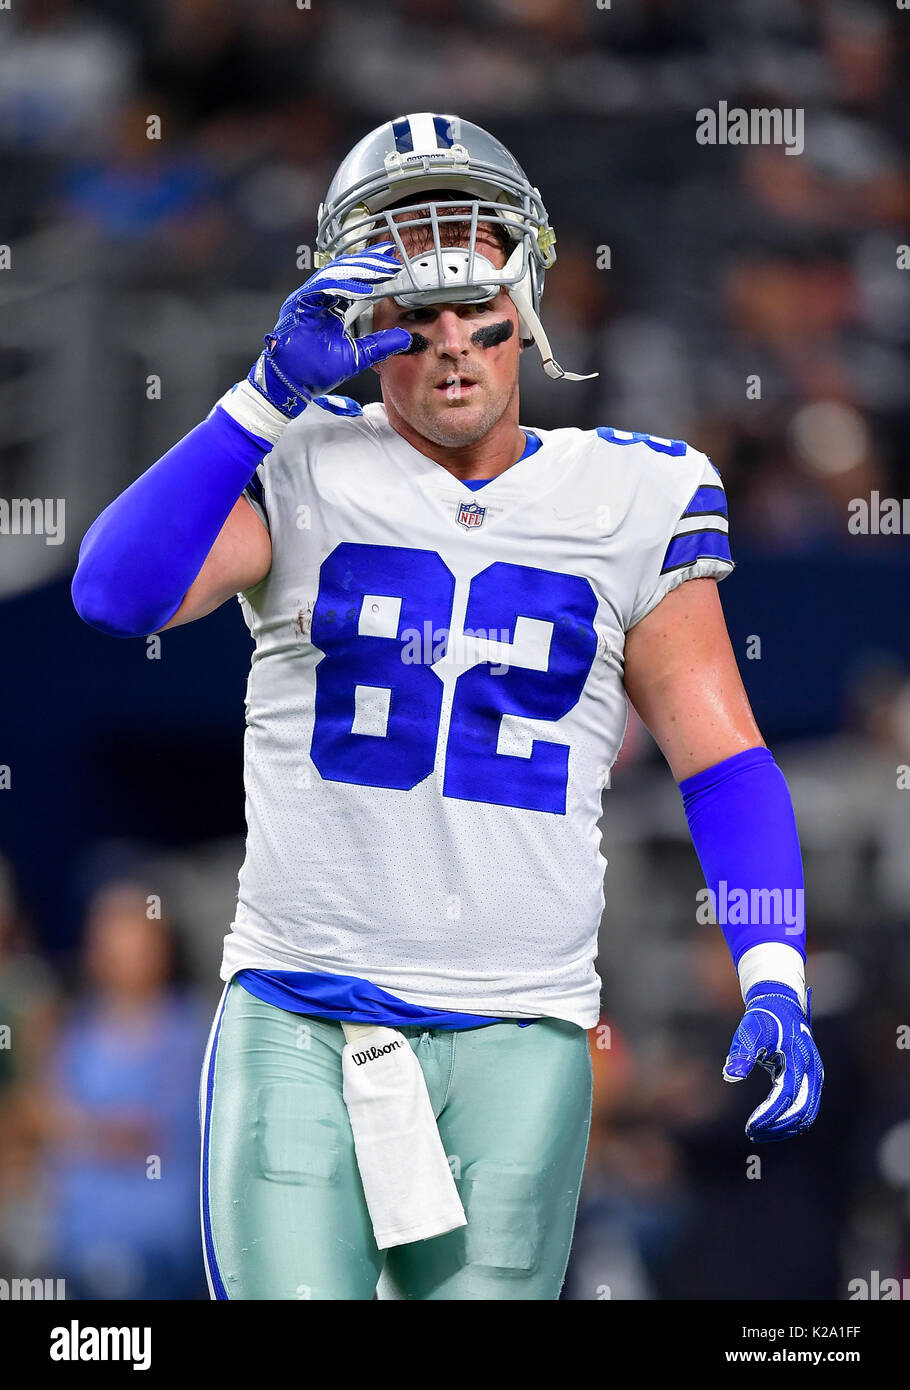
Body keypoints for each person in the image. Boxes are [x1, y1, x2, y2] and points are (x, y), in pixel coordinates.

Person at [71, 112, 823, 1300]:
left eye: (474, 311)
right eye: (414, 319)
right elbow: (114, 593)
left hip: (521, 1029)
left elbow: (720, 757)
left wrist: (772, 961)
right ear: (362, 321)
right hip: (299, 1014)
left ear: (523, 292)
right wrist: (262, 398)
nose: (453, 348)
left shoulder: (636, 489)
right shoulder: (301, 457)